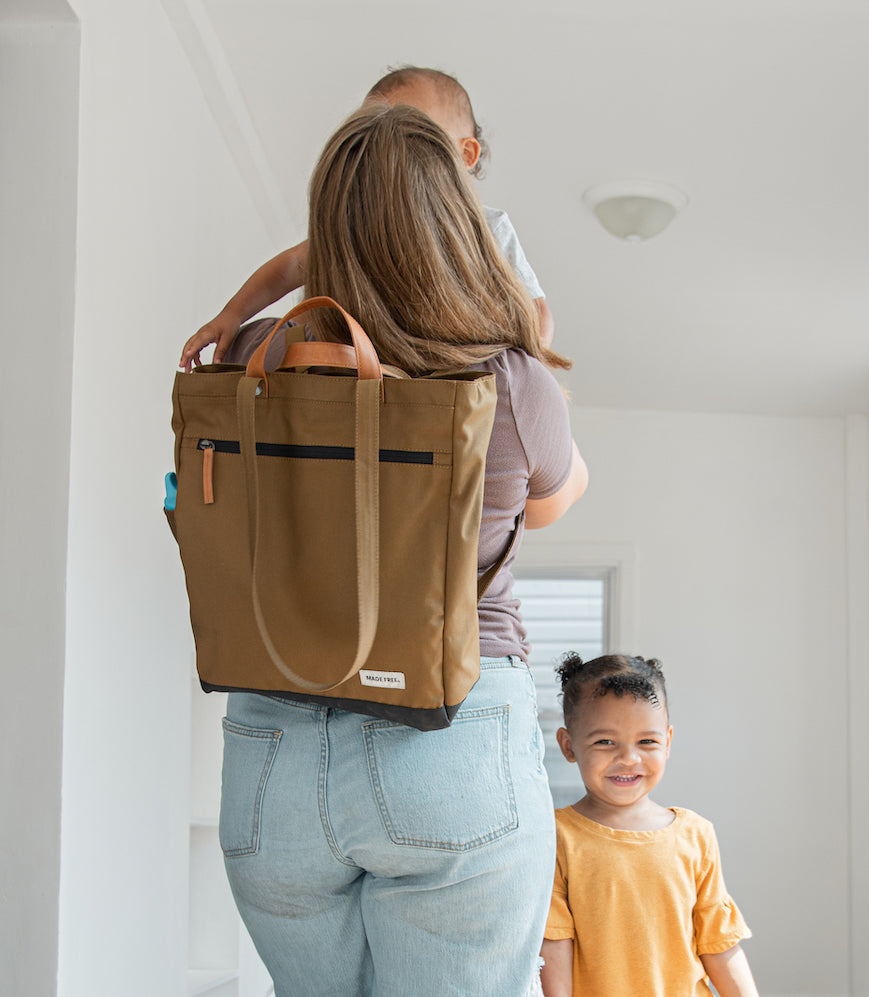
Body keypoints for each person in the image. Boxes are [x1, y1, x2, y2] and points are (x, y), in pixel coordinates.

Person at [213, 103, 588, 997]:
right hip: (451, 733)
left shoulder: (257, 357)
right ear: (455, 221)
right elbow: (552, 505)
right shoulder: (505, 374)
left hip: (273, 752)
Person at [179, 65, 554, 372]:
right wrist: (232, 314)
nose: (389, 152)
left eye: (413, 138)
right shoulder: (359, 228)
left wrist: (520, 371)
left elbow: (535, 313)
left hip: (451, 368)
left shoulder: (486, 229)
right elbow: (293, 264)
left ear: (464, 155)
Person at [540, 653, 760, 997]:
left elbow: (719, 944)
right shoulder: (555, 838)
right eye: (605, 742)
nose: (629, 758)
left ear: (668, 741)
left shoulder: (695, 834)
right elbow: (554, 945)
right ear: (568, 746)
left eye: (647, 741)